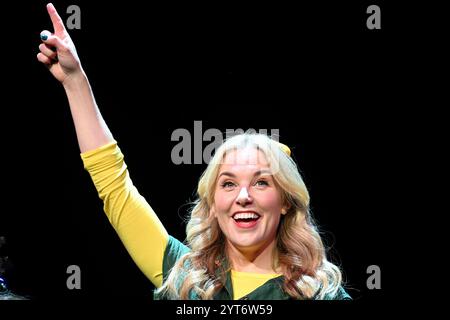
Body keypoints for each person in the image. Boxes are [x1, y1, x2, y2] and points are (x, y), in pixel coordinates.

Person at [37, 3, 350, 300]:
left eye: (261, 182)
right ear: (213, 204)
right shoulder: (184, 276)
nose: (243, 196)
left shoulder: (320, 292)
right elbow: (114, 186)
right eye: (228, 183)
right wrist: (75, 82)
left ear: (284, 202)